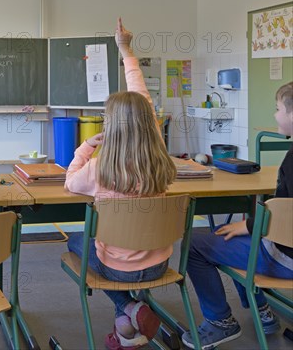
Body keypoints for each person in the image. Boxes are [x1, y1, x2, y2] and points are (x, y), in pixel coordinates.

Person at [64, 18, 177, 350]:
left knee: (75, 241)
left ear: (110, 126)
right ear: (149, 122)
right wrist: (126, 49)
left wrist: (85, 147)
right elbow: (140, 96)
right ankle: (125, 328)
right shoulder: (159, 158)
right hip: (161, 263)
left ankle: (128, 306)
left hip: (118, 270)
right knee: (108, 248)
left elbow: (71, 182)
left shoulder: (101, 167)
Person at [182, 81, 293, 349]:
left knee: (197, 244)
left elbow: (284, 217)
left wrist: (253, 224)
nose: (275, 114)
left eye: (278, 108)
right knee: (234, 234)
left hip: (285, 260)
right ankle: (262, 311)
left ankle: (220, 322)